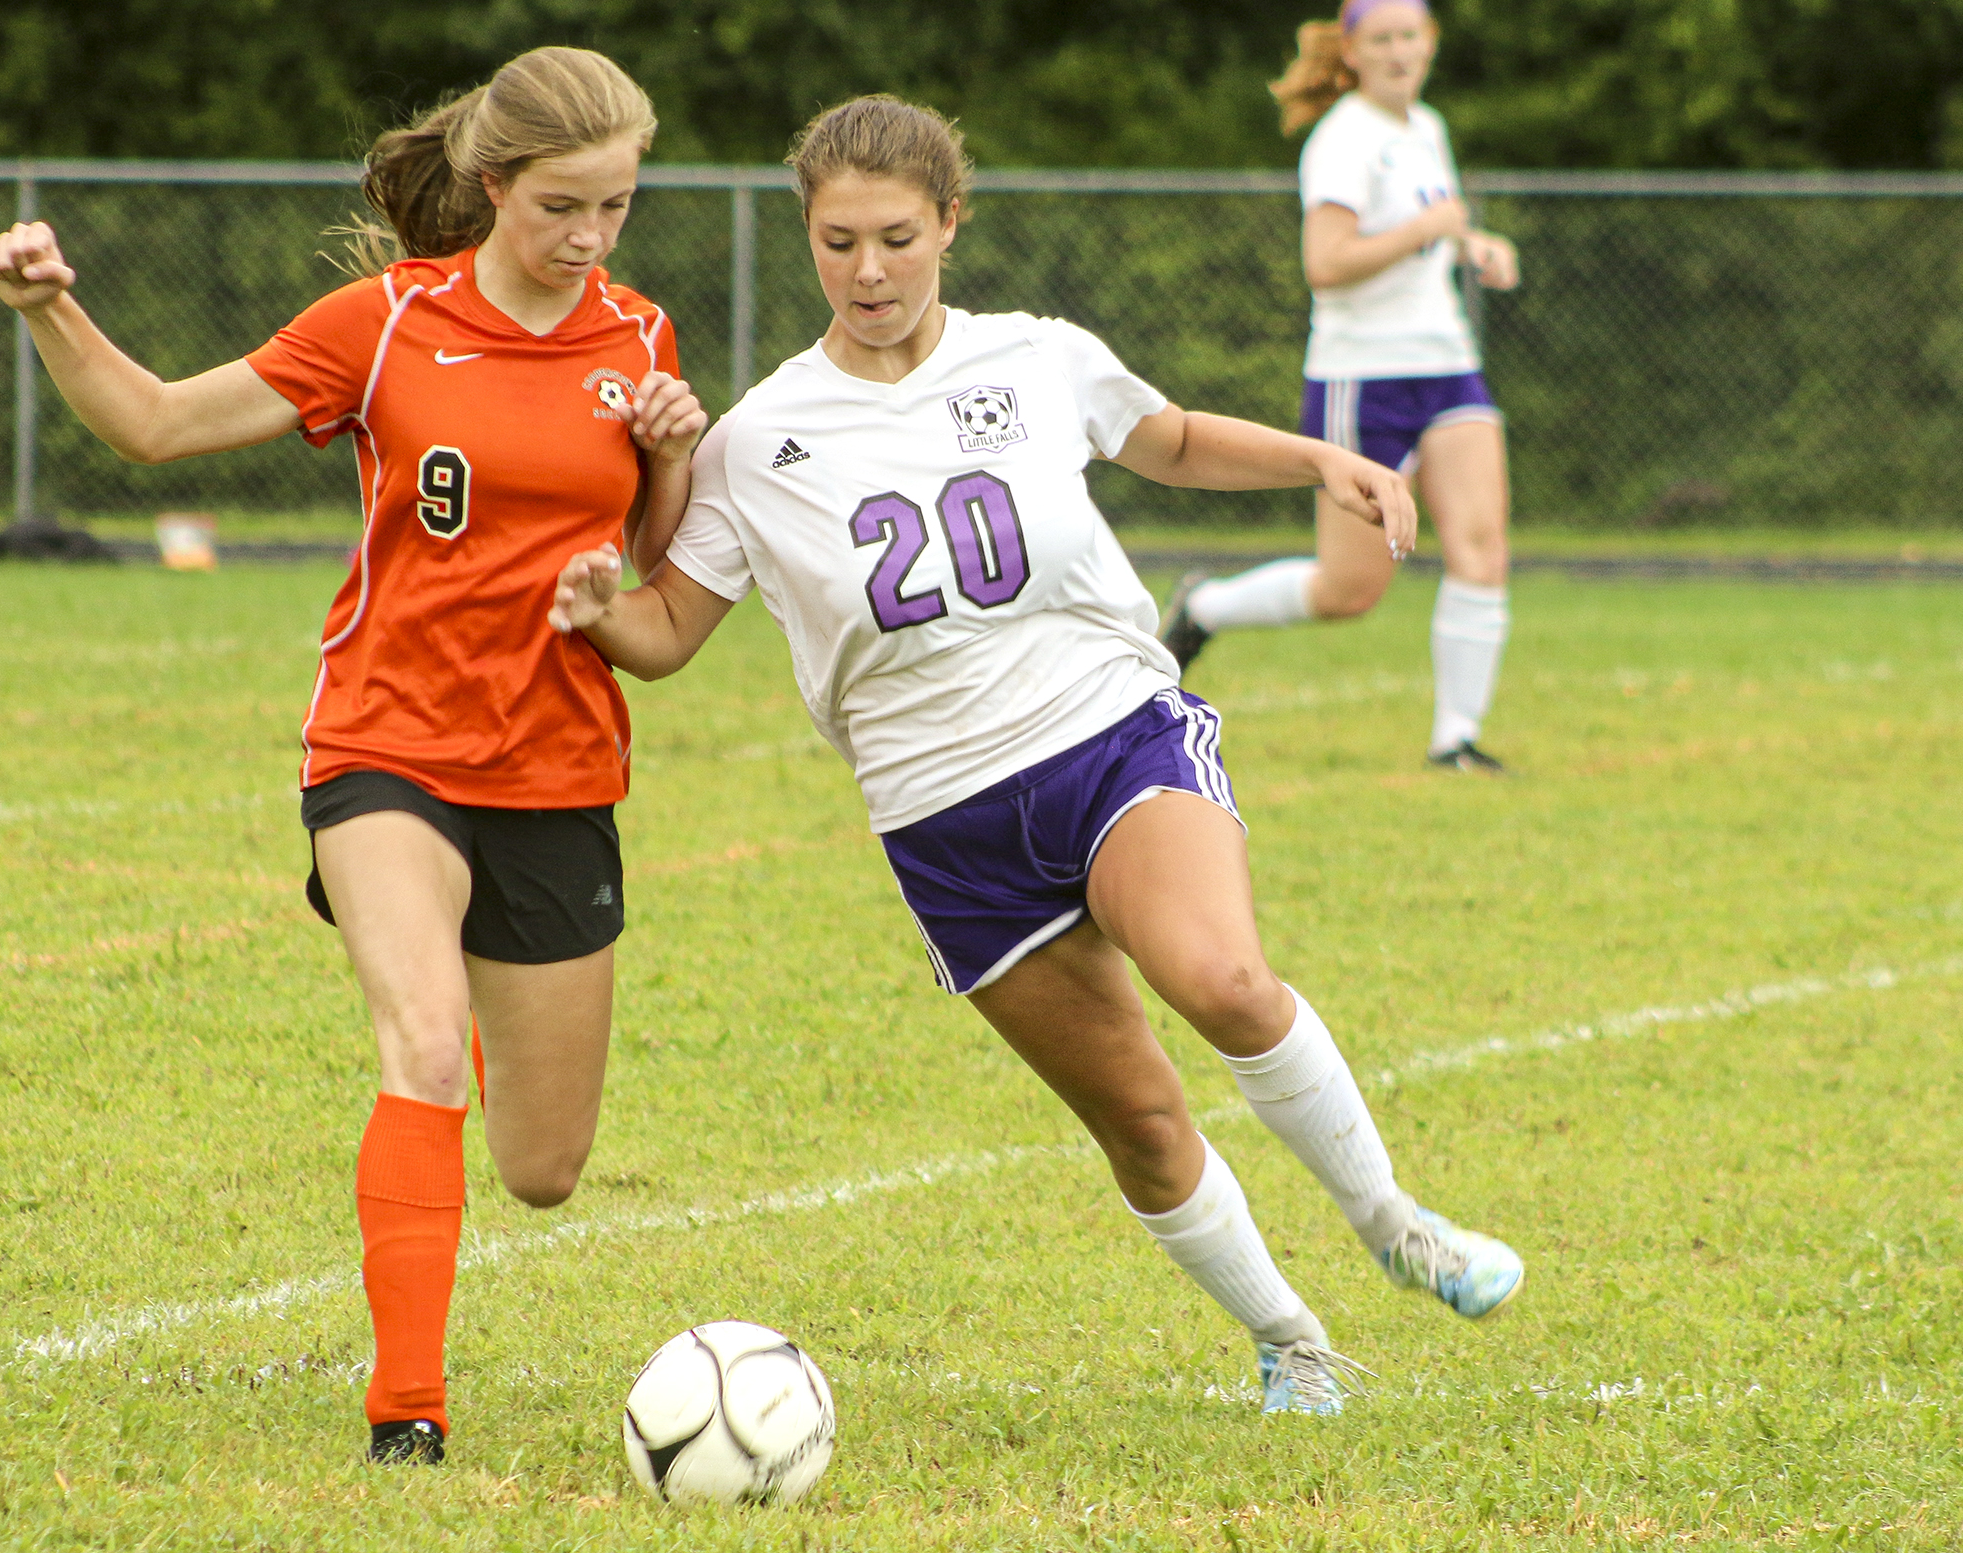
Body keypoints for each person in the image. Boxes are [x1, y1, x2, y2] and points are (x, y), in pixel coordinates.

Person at [552, 95, 1523, 1417]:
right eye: (839, 244)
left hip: (1106, 736)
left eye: (897, 236)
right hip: (941, 823)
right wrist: (595, 601)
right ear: (809, 240)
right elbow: (664, 633)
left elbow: (1166, 440)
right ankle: (1293, 1342)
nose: (871, 270)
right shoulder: (755, 442)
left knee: (1225, 980)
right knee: (1135, 1117)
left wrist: (1320, 462)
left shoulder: (1037, 357)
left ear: (950, 223)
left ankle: (1395, 1223)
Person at [0, 47, 704, 1464]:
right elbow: (155, 424)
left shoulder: (642, 340)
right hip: (386, 746)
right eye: (564, 205)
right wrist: (48, 309)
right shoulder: (382, 325)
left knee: (543, 1171)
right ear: (495, 187)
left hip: (558, 765)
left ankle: (464, 1088)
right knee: (425, 1047)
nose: (592, 237)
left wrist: (672, 458)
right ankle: (407, 1415)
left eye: (617, 206)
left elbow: (655, 574)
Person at [1160, 0, 1521, 774]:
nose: (1400, 52)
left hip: (1448, 365)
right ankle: (1205, 606)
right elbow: (1327, 264)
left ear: (1430, 43)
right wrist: (1428, 228)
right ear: (1352, 53)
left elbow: (1436, 229)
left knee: (1482, 548)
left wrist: (1474, 245)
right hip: (1365, 379)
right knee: (1348, 592)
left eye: (1411, 36)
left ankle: (1454, 742)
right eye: (1382, 40)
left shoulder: (1427, 125)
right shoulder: (1343, 139)